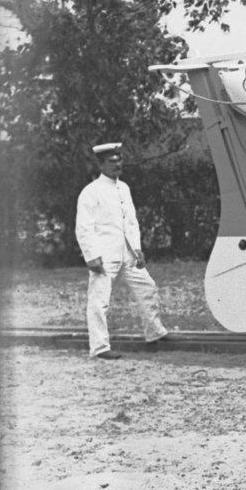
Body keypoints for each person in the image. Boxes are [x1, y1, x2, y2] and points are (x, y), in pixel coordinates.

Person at [76, 142, 169, 359]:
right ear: (101, 164)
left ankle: (155, 333)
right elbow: (84, 227)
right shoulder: (91, 192)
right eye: (112, 161)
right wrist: (92, 256)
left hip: (127, 253)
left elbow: (131, 221)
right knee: (100, 301)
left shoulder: (124, 188)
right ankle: (100, 348)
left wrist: (137, 249)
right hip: (104, 254)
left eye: (119, 160)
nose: (117, 165)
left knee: (147, 287)